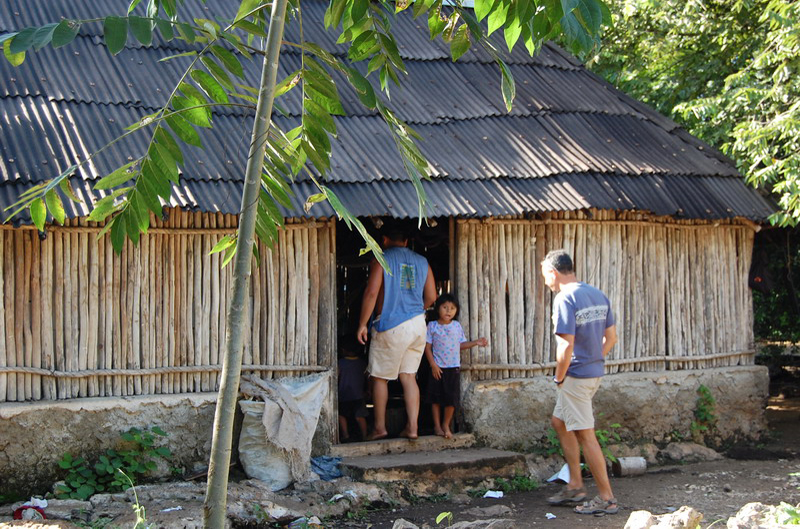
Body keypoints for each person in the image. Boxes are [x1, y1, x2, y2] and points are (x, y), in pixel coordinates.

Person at [540, 249, 620, 516]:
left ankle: (607, 498)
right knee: (559, 422)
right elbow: (611, 339)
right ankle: (575, 484)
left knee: (586, 435)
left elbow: (565, 346)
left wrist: (559, 377)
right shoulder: (597, 294)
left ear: (553, 272)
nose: (546, 282)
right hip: (593, 372)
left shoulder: (565, 298)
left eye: (545, 276)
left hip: (575, 376)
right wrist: (594, 358)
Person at [357, 225, 437, 441]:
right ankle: (412, 428)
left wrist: (363, 323)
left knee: (380, 377)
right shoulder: (422, 261)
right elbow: (431, 296)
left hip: (391, 325)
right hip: (417, 324)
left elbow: (372, 292)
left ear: (384, 239)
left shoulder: (381, 258)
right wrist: (414, 310)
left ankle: (380, 427)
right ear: (406, 241)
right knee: (409, 376)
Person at [424, 293, 487, 439]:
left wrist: (476, 342)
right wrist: (433, 365)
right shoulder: (432, 326)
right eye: (445, 307)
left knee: (451, 399)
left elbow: (460, 345)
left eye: (452, 308)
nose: (448, 311)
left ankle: (446, 424)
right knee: (435, 398)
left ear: (456, 311)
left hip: (453, 368)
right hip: (437, 368)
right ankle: (437, 426)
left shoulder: (456, 326)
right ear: (438, 308)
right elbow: (427, 348)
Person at [337, 338, 369, 443]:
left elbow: (336, 377)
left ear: (343, 350)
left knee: (342, 415)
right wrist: (368, 390)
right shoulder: (362, 363)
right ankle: (365, 436)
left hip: (343, 394)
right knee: (360, 416)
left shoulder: (340, 363)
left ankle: (345, 435)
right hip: (358, 395)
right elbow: (367, 378)